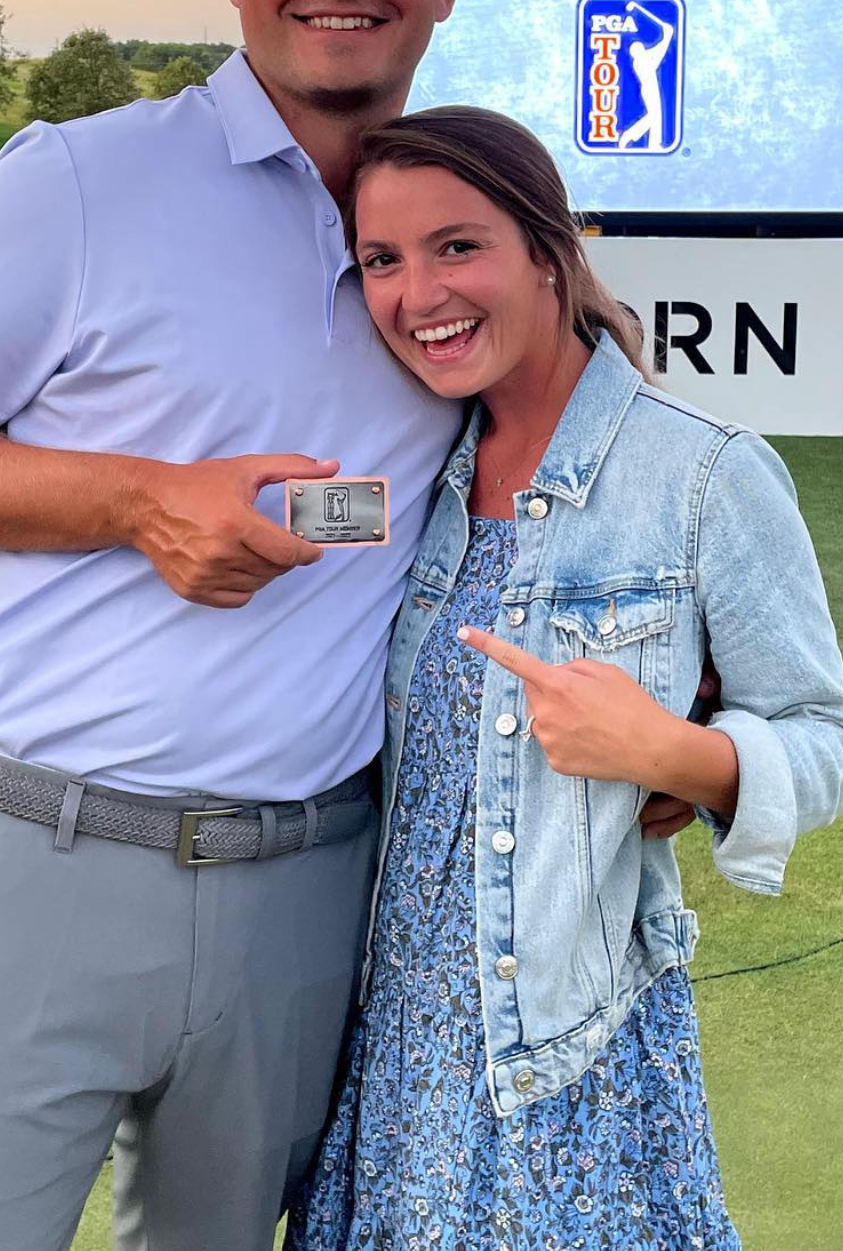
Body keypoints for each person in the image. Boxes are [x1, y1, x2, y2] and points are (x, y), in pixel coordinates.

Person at [0, 0, 470, 1251]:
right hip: (28, 865)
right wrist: (136, 502)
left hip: (308, 893)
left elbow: (543, 488)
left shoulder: (457, 237)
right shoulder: (85, 179)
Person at [286, 107, 843, 1250]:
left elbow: (823, 732)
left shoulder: (702, 474)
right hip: (386, 1045)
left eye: (457, 246)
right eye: (381, 260)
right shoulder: (412, 460)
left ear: (548, 251)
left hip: (565, 1061)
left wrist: (675, 756)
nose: (416, 293)